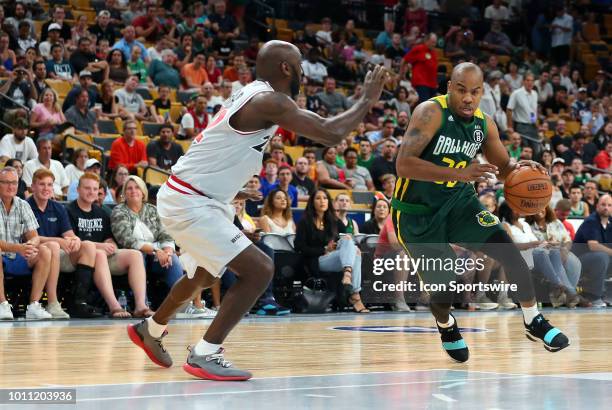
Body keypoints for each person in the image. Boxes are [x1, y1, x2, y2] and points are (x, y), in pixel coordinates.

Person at [127, 40, 386, 379]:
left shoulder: (254, 93)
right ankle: (205, 353)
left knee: (203, 275)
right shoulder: (270, 101)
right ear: (285, 69)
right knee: (261, 269)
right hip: (191, 200)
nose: (303, 72)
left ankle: (152, 329)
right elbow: (329, 133)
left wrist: (231, 187)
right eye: (299, 64)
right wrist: (367, 99)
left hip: (197, 195)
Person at [392, 62, 569, 363]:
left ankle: (533, 320)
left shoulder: (484, 124)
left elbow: (504, 168)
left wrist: (525, 170)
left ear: (482, 92)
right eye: (461, 90)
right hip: (417, 212)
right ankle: (446, 325)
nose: (467, 98)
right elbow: (403, 164)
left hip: (460, 203)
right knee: (444, 291)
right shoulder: (430, 113)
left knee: (508, 250)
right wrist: (459, 173)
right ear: (449, 87)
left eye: (474, 92)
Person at [68, 173, 153, 317]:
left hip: (102, 257)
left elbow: (109, 238)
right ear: (78, 190)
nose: (91, 192)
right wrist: (101, 247)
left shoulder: (102, 213)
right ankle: (114, 306)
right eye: (87, 188)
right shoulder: (69, 211)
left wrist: (110, 244)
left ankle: (140, 306)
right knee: (99, 253)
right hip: (79, 256)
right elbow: (72, 241)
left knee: (135, 255)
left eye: (95, 189)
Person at [295, 189, 369, 312]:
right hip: (317, 260)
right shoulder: (305, 222)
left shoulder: (334, 221)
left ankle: (348, 276)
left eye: (324, 198)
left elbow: (348, 241)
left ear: (328, 202)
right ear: (312, 202)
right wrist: (324, 249)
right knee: (353, 251)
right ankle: (355, 295)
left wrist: (355, 248)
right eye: (318, 198)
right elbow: (299, 247)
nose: (322, 201)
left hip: (337, 258)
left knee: (350, 242)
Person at [111, 176, 184, 291]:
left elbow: (165, 234)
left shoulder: (152, 210)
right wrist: (156, 251)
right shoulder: (119, 211)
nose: (133, 191)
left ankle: (182, 304)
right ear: (124, 193)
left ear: (143, 192)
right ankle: (142, 305)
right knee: (139, 256)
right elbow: (127, 239)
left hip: (156, 256)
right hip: (132, 254)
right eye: (129, 188)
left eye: (137, 187)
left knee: (173, 259)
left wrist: (168, 252)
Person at [0, 167, 52, 320]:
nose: (11, 187)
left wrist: (30, 245)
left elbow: (34, 236)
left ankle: (34, 305)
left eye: (14, 183)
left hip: (18, 255)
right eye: (6, 182)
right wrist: (18, 248)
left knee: (44, 251)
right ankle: (2, 304)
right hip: (4, 255)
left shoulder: (23, 204)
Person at [571, 195, 611, 308]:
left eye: (609, 205)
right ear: (597, 206)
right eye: (603, 205)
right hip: (578, 261)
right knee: (601, 257)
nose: (606, 208)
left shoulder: (610, 222)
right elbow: (593, 246)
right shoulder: (591, 221)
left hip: (598, 259)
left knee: (603, 257)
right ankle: (593, 297)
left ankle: (606, 296)